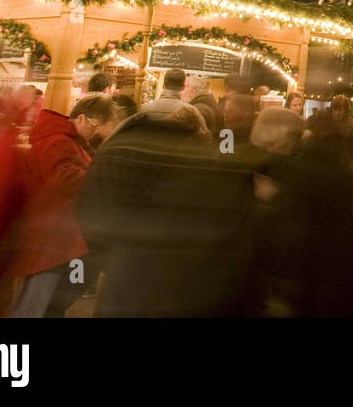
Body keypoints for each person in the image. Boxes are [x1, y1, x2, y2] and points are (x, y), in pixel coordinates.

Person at [76, 103, 258, 317]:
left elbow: (90, 212)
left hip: (126, 271)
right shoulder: (200, 160)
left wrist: (114, 258)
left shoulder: (118, 149)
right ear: (198, 129)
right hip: (181, 281)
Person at [9, 94, 117, 317]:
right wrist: (104, 175)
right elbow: (67, 180)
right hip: (51, 240)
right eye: (96, 128)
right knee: (38, 305)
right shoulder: (58, 141)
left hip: (59, 237)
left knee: (48, 301)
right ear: (83, 119)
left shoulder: (70, 140)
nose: (96, 134)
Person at [250, 109, 353, 316]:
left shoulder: (272, 170)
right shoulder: (294, 171)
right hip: (284, 285)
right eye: (296, 136)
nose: (300, 142)